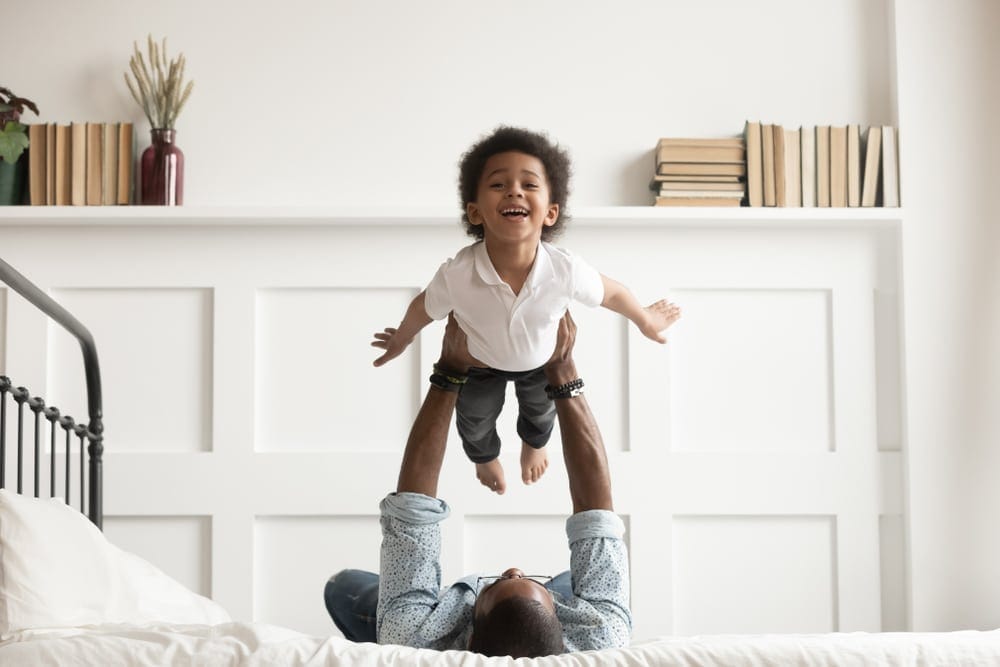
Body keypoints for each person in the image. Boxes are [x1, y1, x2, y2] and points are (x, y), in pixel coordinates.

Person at [372, 126, 680, 494]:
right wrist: (401, 339)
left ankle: (533, 446)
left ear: (551, 212)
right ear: (474, 211)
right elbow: (423, 307)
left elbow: (612, 293)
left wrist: (644, 318)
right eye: (498, 185)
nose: (515, 190)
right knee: (474, 420)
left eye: (529, 185)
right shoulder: (458, 273)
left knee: (540, 414)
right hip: (479, 366)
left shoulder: (564, 269)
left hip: (540, 365)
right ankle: (484, 457)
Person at [326, 311, 631, 657]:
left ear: (469, 642)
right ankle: (533, 590)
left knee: (341, 587)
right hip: (543, 615)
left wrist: (449, 372)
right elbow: (596, 516)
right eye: (522, 579)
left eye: (501, 581)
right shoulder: (601, 636)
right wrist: (563, 372)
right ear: (562, 630)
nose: (511, 569)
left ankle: (410, 609)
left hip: (434, 620)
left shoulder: (416, 640)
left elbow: (413, 511)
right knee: (582, 574)